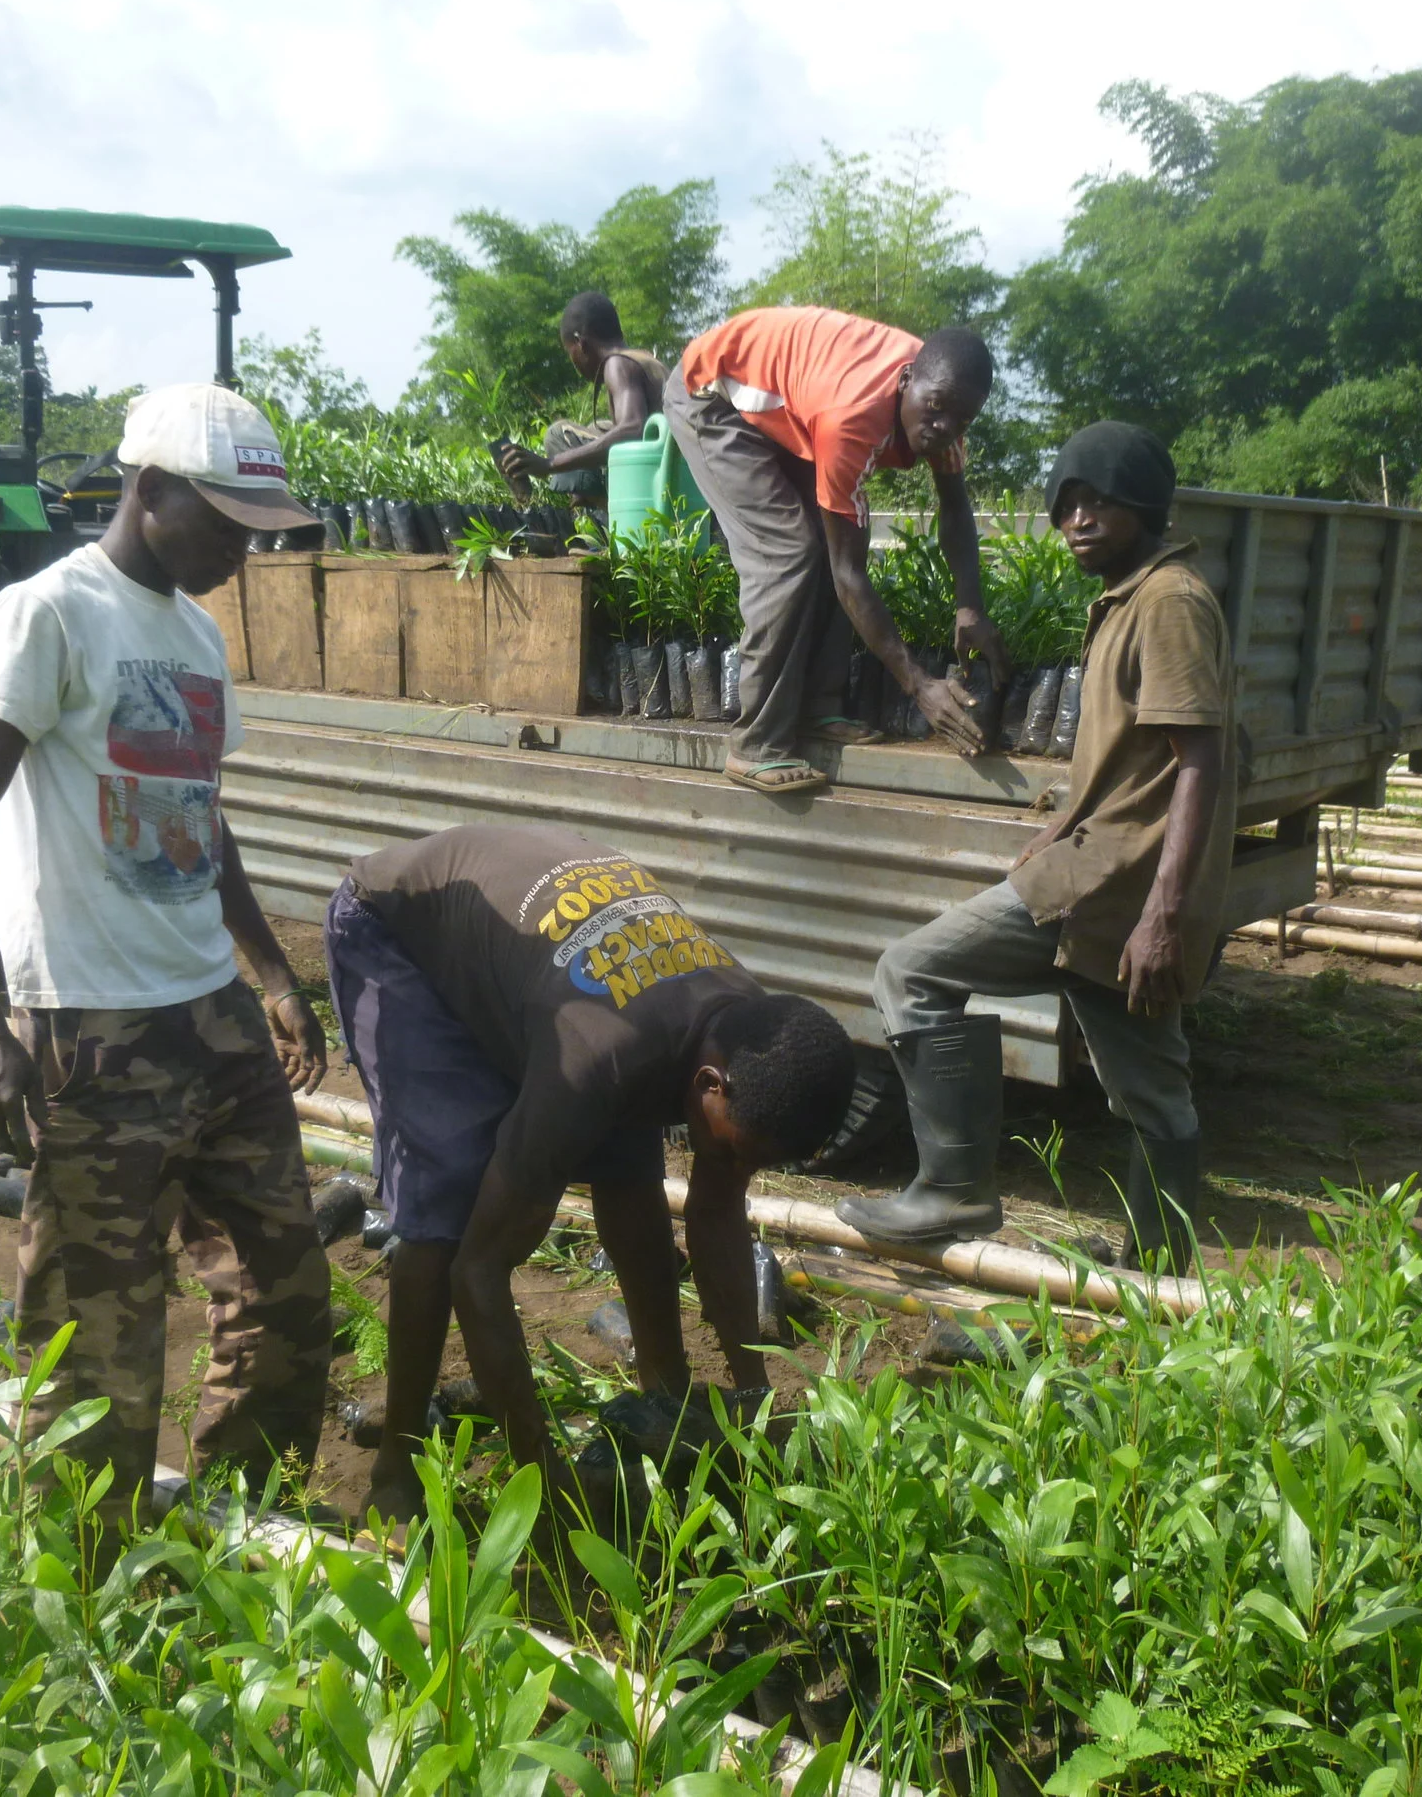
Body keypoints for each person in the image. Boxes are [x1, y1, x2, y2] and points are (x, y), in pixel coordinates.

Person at [0, 382, 335, 1519]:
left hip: (207, 1010)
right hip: (89, 1024)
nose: (242, 557)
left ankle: (247, 1539)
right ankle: (86, 1589)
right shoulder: (46, 612)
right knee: (96, 1343)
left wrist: (270, 973)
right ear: (148, 492)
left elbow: (200, 814)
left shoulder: (197, 633)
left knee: (287, 1297)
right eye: (226, 528)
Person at [325, 823, 855, 1525]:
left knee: (631, 1167)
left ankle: (663, 1395)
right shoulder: (597, 1058)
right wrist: (543, 1483)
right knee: (448, 1200)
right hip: (397, 934)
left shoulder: (743, 1024)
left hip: (543, 966)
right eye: (731, 1152)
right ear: (708, 1082)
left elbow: (713, 1211)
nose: (732, 1170)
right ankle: (397, 1462)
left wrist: (753, 1398)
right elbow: (478, 1275)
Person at [835, 421, 1233, 1269]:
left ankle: (953, 1189)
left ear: (1147, 504)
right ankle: (1154, 1268)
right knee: (1153, 1090)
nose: (1079, 519)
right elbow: (1127, 760)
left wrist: (1164, 916)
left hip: (1115, 888)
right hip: (1092, 871)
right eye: (1066, 505)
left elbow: (1200, 760)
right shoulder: (1131, 597)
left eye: (1099, 501)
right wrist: (1052, 828)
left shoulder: (1169, 603)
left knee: (913, 970)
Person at [663, 306, 1004, 794]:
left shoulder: (942, 401)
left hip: (794, 403)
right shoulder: (853, 416)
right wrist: (919, 686)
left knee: (830, 542)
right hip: (713, 393)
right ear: (907, 380)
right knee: (786, 553)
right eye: (936, 409)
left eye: (961, 418)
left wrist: (970, 606)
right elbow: (849, 576)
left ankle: (818, 707)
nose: (944, 427)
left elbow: (955, 506)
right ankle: (756, 744)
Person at [490, 292, 666, 508]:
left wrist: (549, 464)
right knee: (597, 427)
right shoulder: (643, 357)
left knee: (557, 434)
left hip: (656, 474)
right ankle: (588, 499)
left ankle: (609, 511)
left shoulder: (617, 364)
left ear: (581, 343)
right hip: (668, 460)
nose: (574, 362)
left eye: (569, 352)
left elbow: (633, 428)